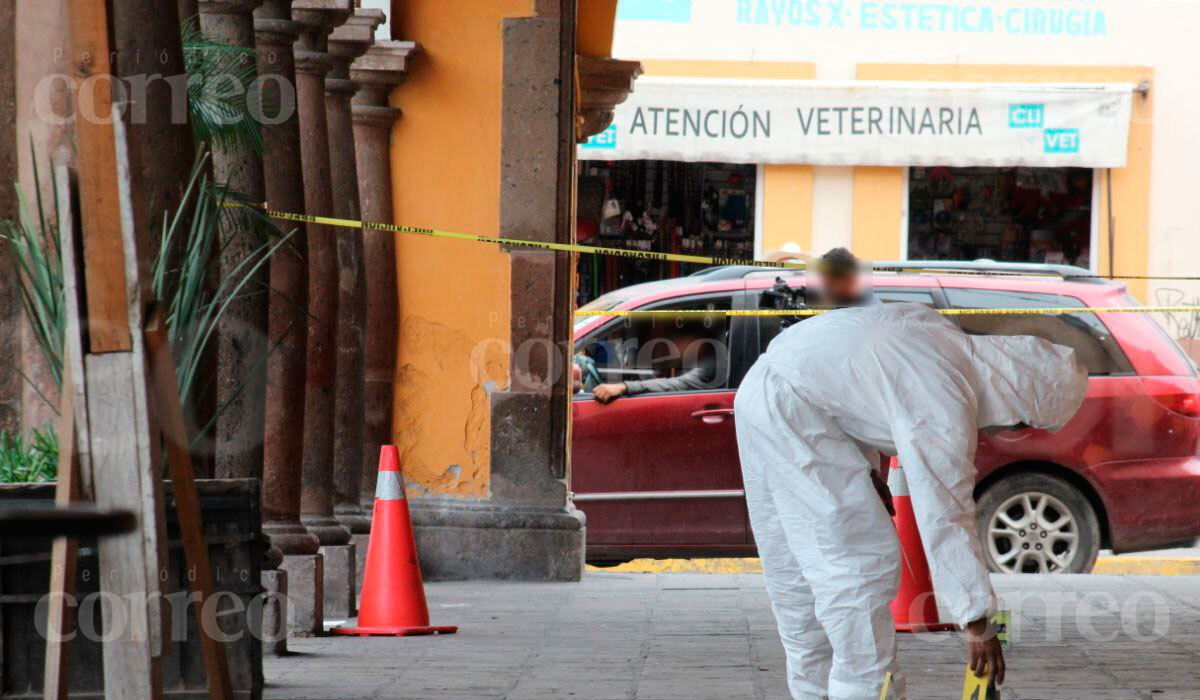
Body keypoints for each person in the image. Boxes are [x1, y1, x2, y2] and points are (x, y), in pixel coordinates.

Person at [734, 302, 1087, 700]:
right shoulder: (945, 400)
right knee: (858, 566)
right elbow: (945, 513)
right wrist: (976, 621)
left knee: (801, 575)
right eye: (1023, 420)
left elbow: (856, 385)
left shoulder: (941, 336)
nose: (1011, 428)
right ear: (1016, 395)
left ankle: (814, 692)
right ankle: (862, 691)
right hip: (793, 406)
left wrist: (864, 473)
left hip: (765, 388)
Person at [590, 320, 722, 403]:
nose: (676, 347)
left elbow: (675, 385)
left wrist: (624, 387)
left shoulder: (710, 367)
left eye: (680, 340)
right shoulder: (693, 361)